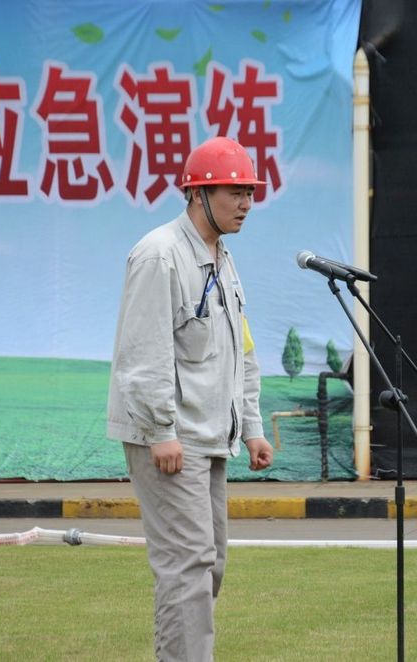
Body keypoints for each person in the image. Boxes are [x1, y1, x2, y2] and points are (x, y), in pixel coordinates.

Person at [106, 136, 274, 662]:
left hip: (210, 436)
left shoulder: (222, 258)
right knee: (188, 564)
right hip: (170, 438)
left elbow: (241, 350)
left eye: (250, 192)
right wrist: (160, 431)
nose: (246, 203)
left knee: (211, 561)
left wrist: (252, 426)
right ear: (198, 193)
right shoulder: (159, 255)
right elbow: (142, 352)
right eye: (234, 192)